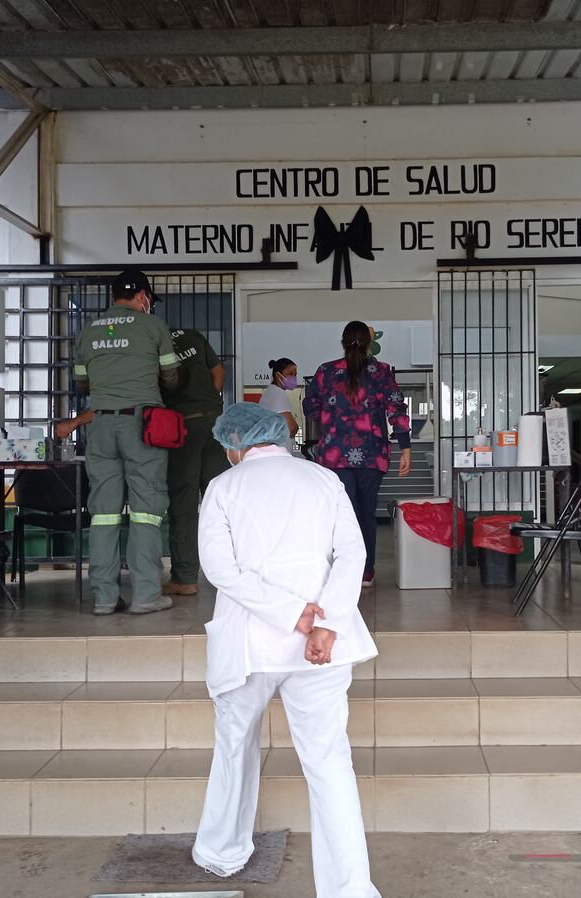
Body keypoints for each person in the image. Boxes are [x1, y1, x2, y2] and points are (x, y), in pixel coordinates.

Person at [192, 402, 381, 898]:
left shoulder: (223, 487)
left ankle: (222, 853)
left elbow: (220, 569)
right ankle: (350, 889)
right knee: (329, 762)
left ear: (235, 445)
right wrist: (325, 624)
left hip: (250, 643)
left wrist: (287, 613)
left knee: (235, 747)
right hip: (320, 645)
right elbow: (353, 554)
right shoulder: (323, 479)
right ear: (279, 436)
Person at [71, 269, 180, 615]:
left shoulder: (88, 330)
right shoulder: (153, 326)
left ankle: (104, 597)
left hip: (100, 425)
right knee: (146, 510)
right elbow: (172, 376)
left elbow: (82, 382)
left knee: (103, 514)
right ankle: (146, 594)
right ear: (143, 296)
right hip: (142, 424)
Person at [304, 321, 411, 589]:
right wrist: (405, 446)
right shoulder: (382, 372)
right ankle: (366, 571)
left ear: (343, 342)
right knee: (366, 513)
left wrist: (331, 424)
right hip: (372, 454)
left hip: (334, 454)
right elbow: (397, 409)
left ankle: (341, 570)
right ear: (368, 343)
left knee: (340, 514)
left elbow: (310, 406)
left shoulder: (325, 371)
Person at [161, 326, 231, 597]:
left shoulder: (152, 343)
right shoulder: (193, 336)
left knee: (184, 503)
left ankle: (185, 577)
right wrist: (210, 404)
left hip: (182, 427)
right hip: (213, 422)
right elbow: (219, 372)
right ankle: (235, 570)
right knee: (221, 499)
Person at [259, 357, 301, 439]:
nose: (293, 377)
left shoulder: (270, 392)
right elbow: (291, 427)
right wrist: (296, 427)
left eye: (295, 374)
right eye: (290, 374)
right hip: (278, 448)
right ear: (278, 375)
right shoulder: (278, 394)